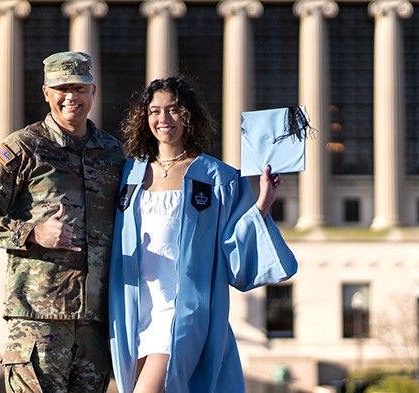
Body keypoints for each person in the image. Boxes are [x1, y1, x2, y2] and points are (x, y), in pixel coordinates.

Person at [108, 76, 298, 393]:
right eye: (155, 111)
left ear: (188, 116)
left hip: (182, 310)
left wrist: (262, 203)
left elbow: (233, 248)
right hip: (132, 310)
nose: (163, 119)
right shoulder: (129, 173)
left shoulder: (216, 177)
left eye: (173, 110)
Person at [0, 51, 125, 393]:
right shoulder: (22, 149)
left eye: (78, 87)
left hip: (95, 322)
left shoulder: (113, 153)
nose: (70, 97)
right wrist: (32, 232)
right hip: (38, 319)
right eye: (61, 88)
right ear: (46, 93)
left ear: (93, 91)